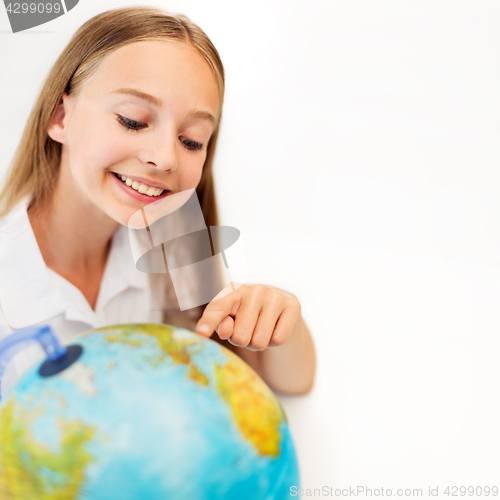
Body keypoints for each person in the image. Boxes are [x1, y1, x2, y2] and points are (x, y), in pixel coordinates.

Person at [0, 6, 316, 396]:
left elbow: (295, 381)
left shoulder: (172, 243)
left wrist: (279, 314)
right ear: (61, 117)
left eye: (192, 140)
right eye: (133, 120)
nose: (166, 158)